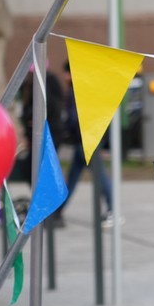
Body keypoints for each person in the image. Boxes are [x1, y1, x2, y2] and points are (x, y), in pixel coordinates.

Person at [56, 61, 114, 227]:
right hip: (88, 140)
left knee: (99, 178)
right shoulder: (88, 90)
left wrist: (67, 130)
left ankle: (113, 211)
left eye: (66, 73)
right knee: (73, 178)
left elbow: (75, 119)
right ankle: (58, 211)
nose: (65, 77)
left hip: (85, 142)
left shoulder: (75, 92)